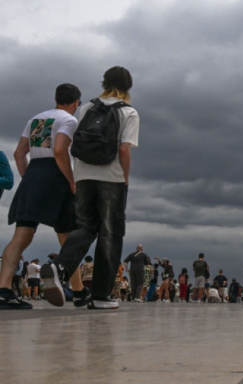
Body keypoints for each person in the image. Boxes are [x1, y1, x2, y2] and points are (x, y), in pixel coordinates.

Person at [50, 67, 139, 310]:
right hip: (112, 178)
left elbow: (75, 143)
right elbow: (123, 149)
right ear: (128, 86)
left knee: (85, 226)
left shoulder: (86, 107)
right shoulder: (128, 112)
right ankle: (100, 296)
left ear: (104, 82)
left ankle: (60, 267)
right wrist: (126, 178)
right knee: (110, 234)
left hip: (84, 176)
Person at [0, 84, 89, 310]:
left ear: (56, 98)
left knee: (22, 234)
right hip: (56, 175)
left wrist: (28, 177)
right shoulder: (69, 120)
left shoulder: (37, 119)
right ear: (76, 102)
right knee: (67, 237)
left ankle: (4, 290)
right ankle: (78, 292)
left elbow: (19, 153)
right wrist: (70, 180)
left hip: (34, 174)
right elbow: (60, 150)